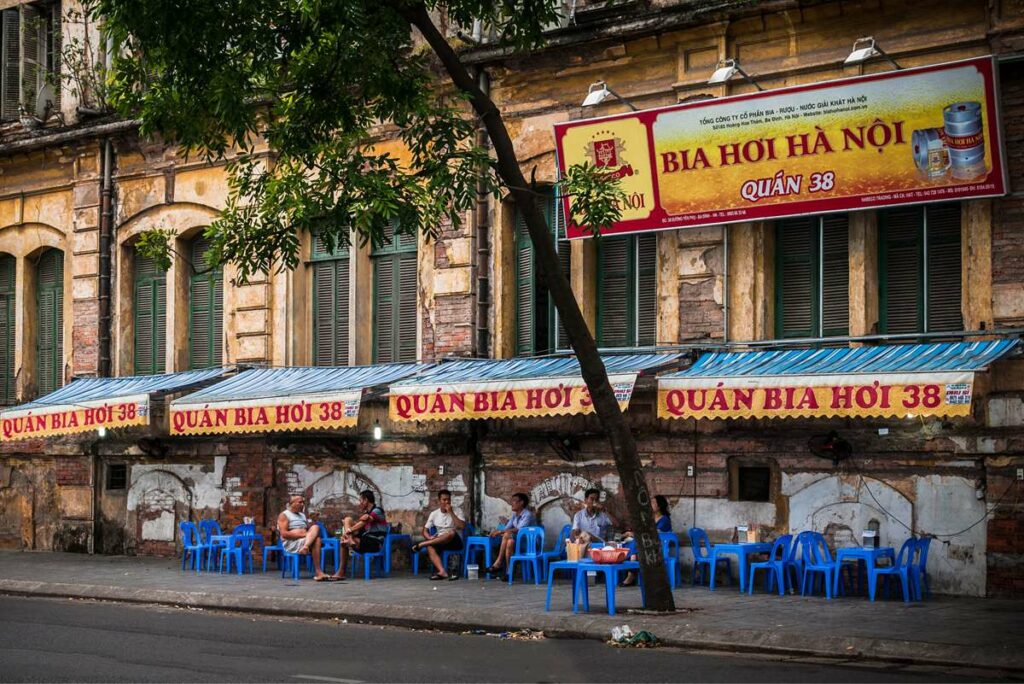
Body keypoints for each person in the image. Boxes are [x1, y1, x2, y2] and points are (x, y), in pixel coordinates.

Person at [332, 490, 388, 579]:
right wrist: (348, 531)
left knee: (344, 541)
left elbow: (363, 522)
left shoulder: (378, 511)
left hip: (375, 543)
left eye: (361, 500)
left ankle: (341, 572)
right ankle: (349, 540)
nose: (360, 503)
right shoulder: (366, 514)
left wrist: (349, 530)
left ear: (366, 500)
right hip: (365, 541)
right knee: (347, 521)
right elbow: (359, 528)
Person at [412, 489, 466, 580]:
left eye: (448, 500)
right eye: (444, 500)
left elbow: (461, 526)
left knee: (451, 532)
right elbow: (425, 530)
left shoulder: (457, 511)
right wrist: (429, 537)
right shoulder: (434, 514)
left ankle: (422, 544)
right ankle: (442, 572)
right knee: (430, 546)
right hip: (440, 541)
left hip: (455, 541)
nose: (447, 502)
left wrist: (451, 512)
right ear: (439, 501)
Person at [622, 494, 673, 586]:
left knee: (635, 544)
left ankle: (631, 574)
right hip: (647, 544)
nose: (650, 504)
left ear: (659, 505)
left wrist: (634, 534)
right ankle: (631, 572)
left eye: (653, 502)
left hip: (657, 547)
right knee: (629, 544)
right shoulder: (650, 519)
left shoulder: (664, 520)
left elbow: (651, 534)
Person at [277, 495, 330, 581]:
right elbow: (284, 534)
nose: (302, 504)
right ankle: (319, 571)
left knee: (316, 532)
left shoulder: (302, 515)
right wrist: (303, 534)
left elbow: (309, 530)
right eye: (300, 502)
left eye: (303, 502)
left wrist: (313, 521)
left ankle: (306, 548)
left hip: (304, 541)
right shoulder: (284, 515)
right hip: (291, 543)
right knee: (316, 536)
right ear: (292, 504)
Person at [486, 492, 536, 579]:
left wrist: (500, 532)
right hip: (517, 542)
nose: (512, 503)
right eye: (512, 501)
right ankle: (509, 572)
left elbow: (519, 529)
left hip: (529, 544)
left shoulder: (527, 514)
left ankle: (498, 562)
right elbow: (507, 527)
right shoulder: (514, 515)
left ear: (521, 503)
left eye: (514, 501)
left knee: (507, 535)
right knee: (510, 541)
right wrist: (496, 531)